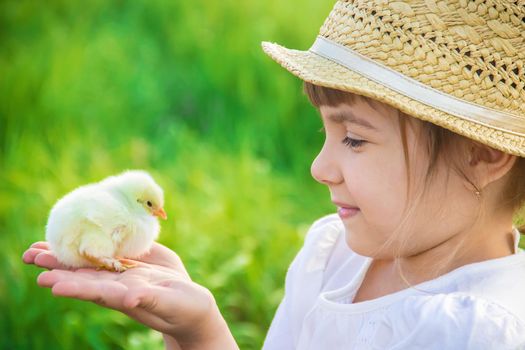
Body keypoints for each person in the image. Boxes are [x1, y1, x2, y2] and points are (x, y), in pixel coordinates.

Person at [23, 0, 525, 348]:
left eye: (354, 138)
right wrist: (198, 333)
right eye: (326, 135)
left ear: (482, 155)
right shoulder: (333, 257)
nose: (319, 167)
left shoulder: (482, 333)